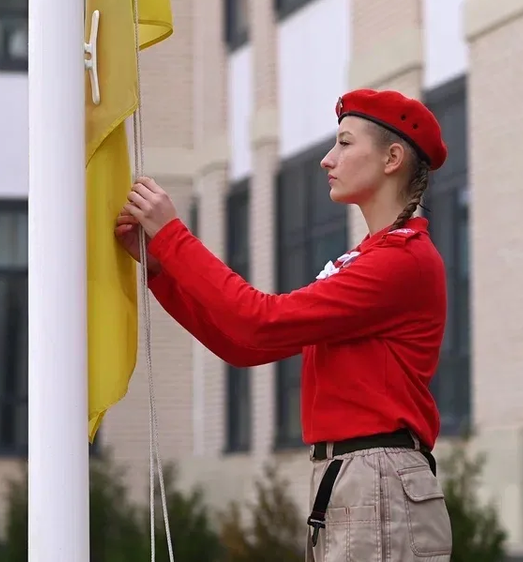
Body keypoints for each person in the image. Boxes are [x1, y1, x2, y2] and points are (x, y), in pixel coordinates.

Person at [116, 88, 455, 562]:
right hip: (352, 474)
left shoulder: (401, 261)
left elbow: (258, 322)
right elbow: (245, 346)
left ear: (392, 157)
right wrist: (160, 274)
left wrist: (173, 237)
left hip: (374, 473)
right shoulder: (371, 259)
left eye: (344, 142)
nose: (326, 159)